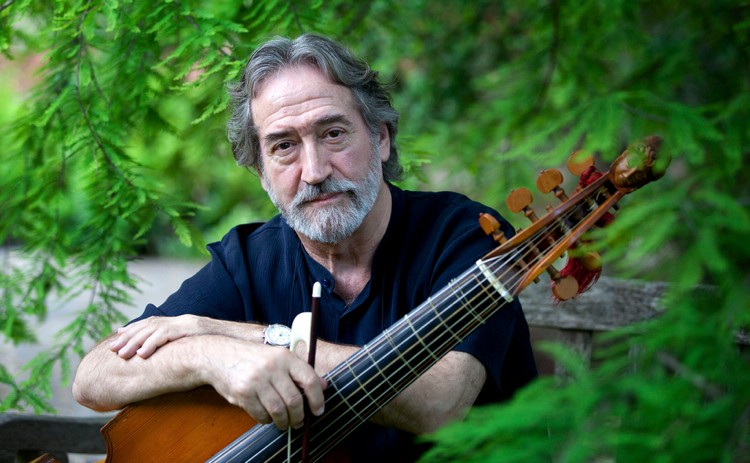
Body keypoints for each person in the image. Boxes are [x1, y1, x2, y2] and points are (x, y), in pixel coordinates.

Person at [72, 33, 537, 461]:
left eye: (333, 134)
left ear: (380, 138)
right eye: (283, 146)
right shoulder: (247, 259)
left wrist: (254, 337)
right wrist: (208, 354)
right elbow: (93, 377)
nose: (314, 171)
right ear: (261, 171)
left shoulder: (467, 234)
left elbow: (439, 402)